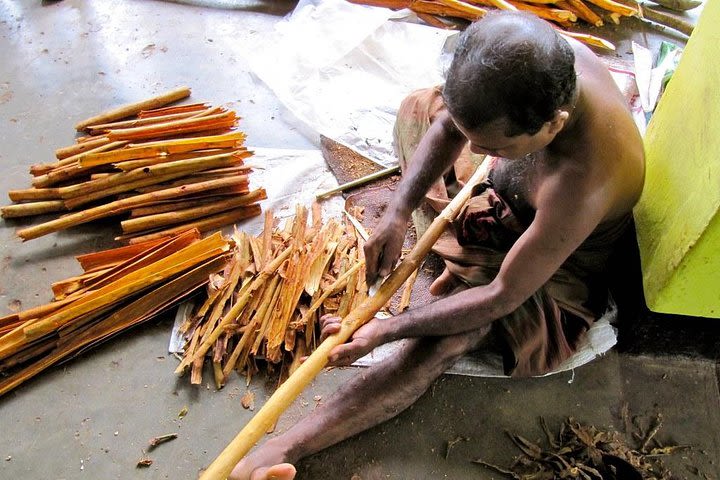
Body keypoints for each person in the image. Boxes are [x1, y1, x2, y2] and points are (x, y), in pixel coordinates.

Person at [230, 10, 644, 480]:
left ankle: (289, 446)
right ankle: (459, 237)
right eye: (476, 142)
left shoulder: (584, 178)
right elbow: (448, 126)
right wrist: (397, 212)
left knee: (454, 331)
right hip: (507, 190)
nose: (480, 152)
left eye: (496, 148)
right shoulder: (533, 60)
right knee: (418, 109)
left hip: (548, 268)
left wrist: (390, 329)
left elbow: (501, 296)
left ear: (555, 125)